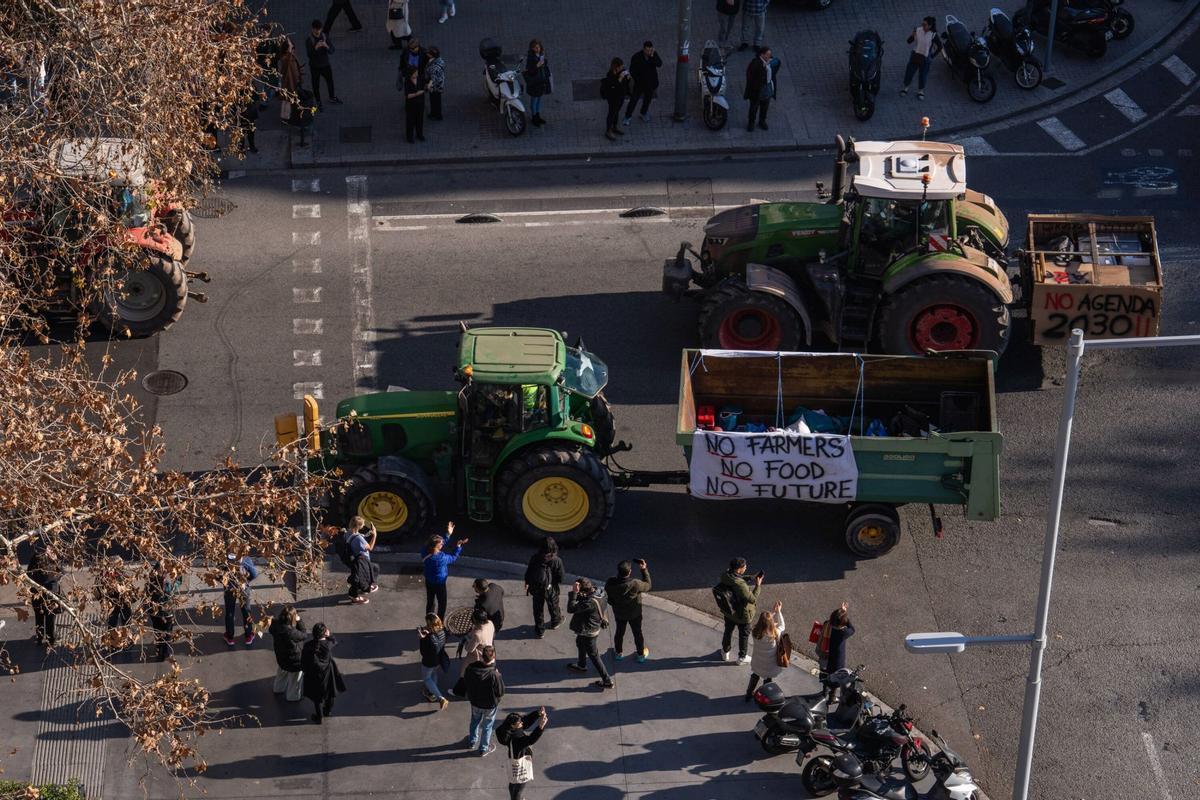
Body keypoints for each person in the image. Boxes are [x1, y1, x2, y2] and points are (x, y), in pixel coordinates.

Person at [566, 578, 613, 689]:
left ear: (583, 590)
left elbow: (571, 608)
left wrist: (574, 593)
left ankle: (607, 681)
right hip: (593, 626)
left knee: (594, 655)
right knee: (579, 642)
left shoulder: (589, 603)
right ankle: (582, 665)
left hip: (588, 631)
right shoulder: (601, 592)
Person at [495, 707, 549, 800]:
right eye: (519, 723)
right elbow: (531, 739)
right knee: (519, 788)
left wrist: (537, 713)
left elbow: (525, 721)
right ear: (513, 726)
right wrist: (540, 727)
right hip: (521, 762)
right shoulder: (516, 739)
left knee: (513, 783)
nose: (522, 723)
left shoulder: (507, 730)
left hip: (514, 760)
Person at [604, 559, 651, 663]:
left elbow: (607, 597)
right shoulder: (635, 584)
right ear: (629, 572)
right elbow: (648, 585)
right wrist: (644, 570)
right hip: (635, 614)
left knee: (619, 632)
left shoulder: (610, 583)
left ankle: (618, 653)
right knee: (637, 633)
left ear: (618, 571)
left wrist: (614, 604)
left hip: (619, 614)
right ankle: (640, 655)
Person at [716, 557, 760, 663]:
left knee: (728, 631)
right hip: (742, 614)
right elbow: (752, 598)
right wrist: (758, 585)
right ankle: (742, 657)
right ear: (739, 569)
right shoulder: (740, 585)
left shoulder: (726, 575)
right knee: (743, 635)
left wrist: (750, 577)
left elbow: (735, 580)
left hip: (728, 610)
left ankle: (725, 652)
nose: (746, 567)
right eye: (744, 566)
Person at [464, 644, 504, 756]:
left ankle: (472, 741)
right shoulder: (495, 675)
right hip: (490, 705)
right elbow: (500, 692)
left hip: (475, 702)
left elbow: (466, 680)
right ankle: (483, 748)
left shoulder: (471, 668)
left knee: (474, 721)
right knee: (487, 726)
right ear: (494, 658)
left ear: (481, 656)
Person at [421, 521, 467, 619]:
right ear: (437, 547)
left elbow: (439, 543)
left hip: (429, 580)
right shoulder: (441, 558)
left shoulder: (425, 551)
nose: (442, 544)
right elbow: (453, 557)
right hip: (440, 583)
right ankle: (439, 623)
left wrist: (448, 534)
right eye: (441, 544)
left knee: (430, 601)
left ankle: (430, 621)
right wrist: (458, 546)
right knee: (442, 603)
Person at [302, 623, 345, 723]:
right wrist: (329, 635)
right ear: (324, 634)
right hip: (328, 673)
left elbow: (303, 661)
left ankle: (319, 716)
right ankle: (328, 711)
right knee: (330, 694)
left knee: (317, 697)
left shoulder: (308, 645)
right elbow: (334, 640)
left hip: (313, 674)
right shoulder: (328, 644)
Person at [745, 600, 785, 701]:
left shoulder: (755, 632)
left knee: (755, 675)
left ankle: (748, 693)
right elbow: (782, 626)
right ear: (772, 624)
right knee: (767, 679)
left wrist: (773, 613)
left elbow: (765, 623)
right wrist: (778, 612)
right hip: (769, 664)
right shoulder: (775, 633)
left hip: (758, 662)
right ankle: (765, 697)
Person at [524, 537, 564, 638]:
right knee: (553, 605)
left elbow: (529, 572)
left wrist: (527, 582)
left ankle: (539, 631)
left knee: (538, 609)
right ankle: (555, 621)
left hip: (537, 588)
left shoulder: (535, 557)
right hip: (551, 588)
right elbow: (561, 577)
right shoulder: (556, 560)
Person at [454, 608, 496, 695]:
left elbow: (469, 649)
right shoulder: (490, 624)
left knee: (465, 673)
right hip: (489, 652)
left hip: (477, 657)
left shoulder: (478, 634)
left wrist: (467, 640)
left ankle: (459, 691)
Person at [27, 543, 62, 647]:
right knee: (49, 617)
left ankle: (40, 638)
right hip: (50, 593)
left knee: (40, 616)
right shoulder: (49, 559)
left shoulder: (35, 558)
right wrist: (55, 560)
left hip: (38, 593)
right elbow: (59, 574)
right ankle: (50, 640)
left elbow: (28, 574)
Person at [270, 607, 307, 702]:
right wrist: (299, 621)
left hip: (281, 657)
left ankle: (278, 689)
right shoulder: (291, 632)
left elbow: (271, 629)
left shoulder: (275, 625)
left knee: (281, 672)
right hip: (294, 661)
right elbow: (303, 635)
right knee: (295, 680)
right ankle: (293, 697)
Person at [148, 565, 183, 662]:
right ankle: (166, 651)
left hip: (155, 612)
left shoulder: (152, 581)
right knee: (168, 632)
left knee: (158, 631)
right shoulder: (169, 584)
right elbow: (177, 583)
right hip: (167, 612)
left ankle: (159, 651)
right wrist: (178, 573)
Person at [222, 554, 257, 647]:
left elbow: (218, 575)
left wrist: (226, 583)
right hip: (243, 589)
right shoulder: (245, 560)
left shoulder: (224, 559)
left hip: (229, 588)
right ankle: (248, 635)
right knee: (246, 611)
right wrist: (246, 581)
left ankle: (230, 637)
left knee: (230, 612)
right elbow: (254, 574)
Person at [305, 20, 341, 110]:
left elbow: (332, 50)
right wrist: (315, 48)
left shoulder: (324, 36)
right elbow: (309, 55)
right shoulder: (309, 40)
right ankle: (318, 101)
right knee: (315, 85)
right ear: (312, 29)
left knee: (330, 81)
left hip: (325, 65)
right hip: (315, 67)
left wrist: (326, 46)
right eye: (316, 30)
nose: (318, 32)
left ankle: (332, 97)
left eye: (319, 29)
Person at [744, 45, 781, 132]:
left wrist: (769, 63)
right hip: (757, 90)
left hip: (767, 88)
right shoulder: (755, 63)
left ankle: (762, 121)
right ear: (762, 55)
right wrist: (764, 67)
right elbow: (752, 76)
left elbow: (778, 62)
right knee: (754, 108)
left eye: (770, 54)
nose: (770, 56)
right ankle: (751, 123)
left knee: (765, 107)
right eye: (768, 54)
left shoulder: (769, 61)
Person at [624, 41, 662, 125]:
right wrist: (638, 79)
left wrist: (652, 56)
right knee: (633, 100)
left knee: (647, 100)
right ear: (644, 49)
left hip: (650, 84)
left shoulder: (653, 54)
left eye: (650, 50)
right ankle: (627, 116)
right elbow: (632, 70)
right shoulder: (637, 57)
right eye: (647, 50)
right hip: (640, 84)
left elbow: (659, 64)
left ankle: (643, 113)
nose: (649, 52)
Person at [418, 613, 451, 709]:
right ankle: (431, 692)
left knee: (427, 678)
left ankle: (440, 698)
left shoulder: (428, 639)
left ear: (430, 624)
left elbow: (423, 652)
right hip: (439, 659)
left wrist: (421, 639)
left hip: (429, 662)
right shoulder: (443, 631)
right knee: (433, 674)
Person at [901, 16, 938, 100]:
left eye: (924, 24)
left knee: (923, 74)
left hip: (926, 58)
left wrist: (932, 56)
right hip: (916, 54)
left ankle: (920, 91)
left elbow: (940, 46)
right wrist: (913, 34)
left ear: (930, 26)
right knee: (909, 72)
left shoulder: (933, 35)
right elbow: (909, 41)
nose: (922, 26)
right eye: (922, 24)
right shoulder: (918, 30)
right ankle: (905, 88)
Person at [344, 516, 379, 604]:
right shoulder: (359, 539)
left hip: (354, 559)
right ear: (358, 526)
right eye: (362, 525)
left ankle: (365, 587)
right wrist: (374, 535)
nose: (363, 526)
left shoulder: (347, 533)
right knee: (373, 569)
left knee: (361, 574)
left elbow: (359, 536)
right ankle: (359, 592)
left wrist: (368, 533)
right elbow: (370, 548)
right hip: (362, 560)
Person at [600, 58, 632, 141]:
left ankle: (614, 127)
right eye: (620, 67)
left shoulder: (623, 71)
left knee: (616, 112)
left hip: (621, 96)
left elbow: (626, 84)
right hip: (613, 98)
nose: (622, 68)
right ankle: (608, 130)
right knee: (611, 113)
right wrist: (620, 79)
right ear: (615, 67)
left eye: (622, 66)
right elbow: (613, 87)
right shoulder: (610, 75)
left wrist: (628, 77)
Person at [523, 40, 552, 127]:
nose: (538, 49)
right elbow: (529, 70)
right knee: (534, 100)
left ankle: (538, 116)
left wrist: (544, 62)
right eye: (535, 47)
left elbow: (545, 64)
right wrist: (537, 66)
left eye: (538, 47)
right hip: (535, 82)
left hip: (541, 81)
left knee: (539, 99)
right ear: (532, 48)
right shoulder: (531, 58)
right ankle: (534, 117)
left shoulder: (541, 54)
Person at [824, 601, 855, 674]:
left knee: (829, 669)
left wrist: (842, 612)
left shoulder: (829, 625)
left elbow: (835, 618)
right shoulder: (843, 633)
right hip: (838, 660)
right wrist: (844, 613)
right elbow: (852, 629)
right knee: (836, 674)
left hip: (828, 653)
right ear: (843, 623)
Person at [277, 37, 301, 122]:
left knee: (286, 100)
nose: (293, 49)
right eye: (291, 48)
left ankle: (285, 116)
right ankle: (285, 117)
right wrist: (290, 46)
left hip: (289, 81)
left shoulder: (287, 57)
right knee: (287, 100)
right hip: (288, 82)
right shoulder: (286, 58)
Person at [426, 47, 445, 120]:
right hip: (439, 83)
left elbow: (433, 79)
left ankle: (437, 114)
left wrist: (429, 85)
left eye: (428, 54)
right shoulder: (439, 60)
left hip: (436, 86)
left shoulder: (434, 67)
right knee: (435, 99)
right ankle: (434, 113)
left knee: (435, 100)